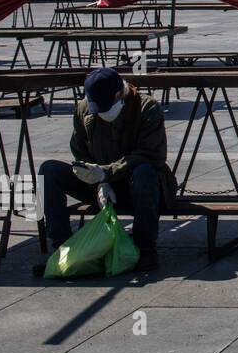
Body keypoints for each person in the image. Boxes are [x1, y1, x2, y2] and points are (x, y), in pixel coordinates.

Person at [37, 67, 176, 275]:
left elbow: (151, 155)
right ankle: (63, 249)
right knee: (49, 170)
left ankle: (145, 249)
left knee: (145, 172)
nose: (102, 112)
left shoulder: (147, 108)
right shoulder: (84, 108)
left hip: (138, 187)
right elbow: (80, 149)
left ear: (119, 94)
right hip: (101, 185)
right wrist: (95, 177)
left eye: (106, 106)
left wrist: (106, 173)